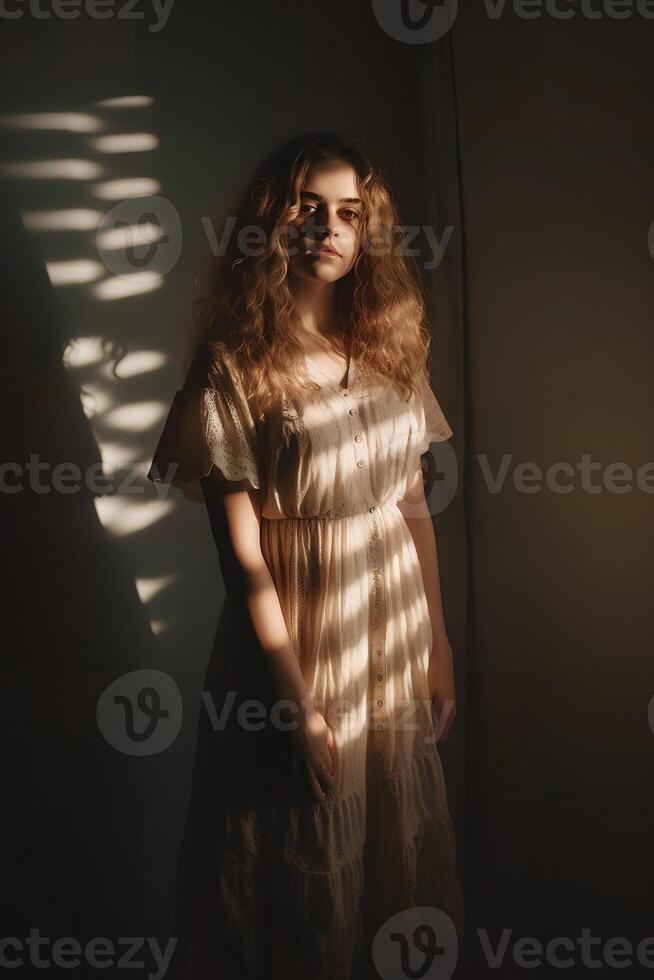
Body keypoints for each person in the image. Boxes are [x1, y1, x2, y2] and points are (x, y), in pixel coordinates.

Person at [147, 131, 464, 980]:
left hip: (390, 632)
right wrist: (291, 700)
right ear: (270, 225)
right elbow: (241, 558)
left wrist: (437, 643)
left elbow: (410, 505)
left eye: (349, 214)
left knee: (392, 853)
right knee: (293, 857)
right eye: (307, 210)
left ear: (369, 232)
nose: (329, 228)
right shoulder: (233, 367)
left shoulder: (393, 345)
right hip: (296, 642)